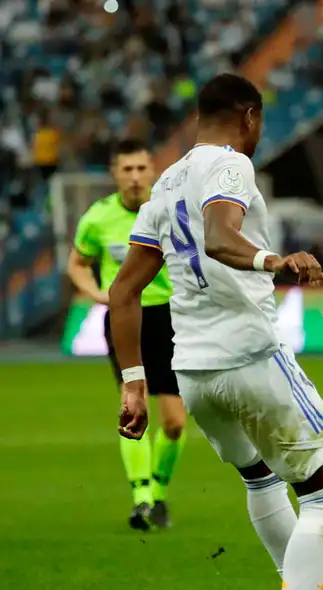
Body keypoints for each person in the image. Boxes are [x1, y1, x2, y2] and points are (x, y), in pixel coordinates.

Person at [110, 73, 323, 590]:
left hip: (193, 369)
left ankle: (295, 580)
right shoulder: (230, 163)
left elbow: (123, 291)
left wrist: (133, 382)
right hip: (250, 354)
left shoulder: (165, 183)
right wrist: (275, 260)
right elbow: (220, 237)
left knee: (260, 477)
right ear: (249, 116)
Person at [67, 138, 187, 530]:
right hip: (124, 320)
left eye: (141, 168)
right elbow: (78, 264)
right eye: (127, 169)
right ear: (115, 174)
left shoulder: (169, 212)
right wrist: (99, 294)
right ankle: (142, 500)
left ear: (152, 171)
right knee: (135, 409)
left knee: (174, 422)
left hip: (170, 319)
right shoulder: (98, 218)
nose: (135, 177)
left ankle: (160, 493)